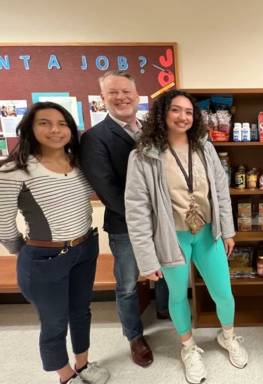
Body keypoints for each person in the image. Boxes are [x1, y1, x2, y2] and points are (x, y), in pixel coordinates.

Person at [125, 89, 248, 384]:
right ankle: (188, 347)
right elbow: (137, 209)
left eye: (189, 112)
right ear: (163, 114)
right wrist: (146, 258)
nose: (183, 117)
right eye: (176, 110)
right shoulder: (143, 155)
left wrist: (228, 230)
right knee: (178, 296)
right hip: (172, 237)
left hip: (207, 232)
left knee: (223, 292)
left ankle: (228, 336)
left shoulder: (204, 147)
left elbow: (220, 189)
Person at [0, 102, 110, 384]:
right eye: (44, 123)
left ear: (71, 130)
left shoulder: (80, 164)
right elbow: (2, 221)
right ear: (29, 128)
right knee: (54, 320)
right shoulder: (14, 170)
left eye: (62, 124)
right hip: (45, 257)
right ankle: (65, 375)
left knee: (81, 310)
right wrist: (22, 250)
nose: (55, 130)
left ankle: (83, 364)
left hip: (85, 247)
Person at [80, 71, 153, 367]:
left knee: (162, 271)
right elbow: (107, 189)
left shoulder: (150, 130)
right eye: (113, 93)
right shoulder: (95, 138)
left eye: (127, 92)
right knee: (126, 284)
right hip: (125, 226)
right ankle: (134, 337)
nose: (122, 98)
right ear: (103, 99)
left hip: (161, 222)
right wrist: (141, 219)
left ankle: (162, 310)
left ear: (137, 96)